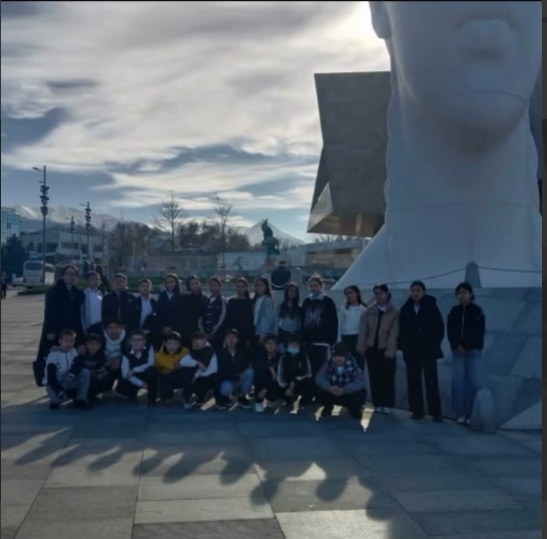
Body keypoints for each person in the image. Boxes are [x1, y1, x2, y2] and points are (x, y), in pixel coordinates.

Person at [399, 281, 445, 422]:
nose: (415, 293)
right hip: (412, 350)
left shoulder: (431, 306)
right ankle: (417, 410)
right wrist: (405, 348)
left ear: (423, 292)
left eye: (418, 290)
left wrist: (434, 344)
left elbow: (439, 327)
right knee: (414, 381)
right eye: (413, 290)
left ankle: (436, 411)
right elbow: (402, 330)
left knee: (431, 380)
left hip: (428, 350)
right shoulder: (406, 309)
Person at [35, 265, 85, 385]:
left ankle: (69, 384)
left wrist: (81, 334)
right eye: (68, 273)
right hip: (56, 330)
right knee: (54, 356)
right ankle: (53, 384)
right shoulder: (54, 291)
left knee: (70, 357)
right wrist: (50, 331)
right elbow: (49, 312)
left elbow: (79, 315)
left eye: (73, 274)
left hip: (72, 331)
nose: (70, 276)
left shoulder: (77, 293)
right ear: (63, 275)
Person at [447, 282, 486, 425]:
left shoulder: (477, 311)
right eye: (459, 293)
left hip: (473, 351)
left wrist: (468, 346)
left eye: (464, 292)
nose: (462, 295)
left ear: (470, 294)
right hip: (458, 351)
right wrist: (456, 345)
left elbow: (479, 332)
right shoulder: (454, 311)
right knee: (458, 382)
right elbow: (450, 330)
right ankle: (460, 413)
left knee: (474, 382)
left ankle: (471, 413)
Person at [357, 283, 400, 414]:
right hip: (372, 348)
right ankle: (377, 403)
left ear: (387, 294)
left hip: (385, 349)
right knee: (374, 377)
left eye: (381, 293)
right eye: (376, 294)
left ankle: (388, 403)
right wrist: (361, 346)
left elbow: (394, 333)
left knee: (387, 377)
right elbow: (364, 330)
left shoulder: (394, 312)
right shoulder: (369, 311)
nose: (379, 296)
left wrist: (390, 351)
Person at [301, 274, 339, 398]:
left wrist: (332, 341)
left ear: (321, 286)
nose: (313, 288)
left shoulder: (328, 302)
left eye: (316, 285)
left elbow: (333, 322)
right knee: (309, 370)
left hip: (322, 341)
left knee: (320, 370)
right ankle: (308, 395)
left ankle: (320, 396)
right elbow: (302, 321)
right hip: (308, 342)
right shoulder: (306, 301)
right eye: (311, 286)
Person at [316, 343, 367, 420]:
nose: (337, 359)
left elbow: (360, 382)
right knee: (319, 389)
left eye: (340, 356)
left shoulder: (353, 366)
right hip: (332, 392)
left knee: (361, 393)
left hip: (347, 394)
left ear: (345, 356)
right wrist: (329, 387)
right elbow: (319, 377)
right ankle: (327, 407)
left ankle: (354, 410)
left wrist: (345, 390)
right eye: (335, 357)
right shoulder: (328, 364)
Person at [44, 329, 90, 410]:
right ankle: (57, 396)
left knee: (85, 372)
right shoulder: (53, 355)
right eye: (66, 341)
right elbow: (51, 376)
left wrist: (72, 374)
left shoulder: (73, 351)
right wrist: (58, 390)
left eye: (72, 341)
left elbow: (78, 364)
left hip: (69, 379)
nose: (69, 343)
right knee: (57, 401)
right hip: (57, 382)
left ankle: (81, 399)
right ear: (60, 341)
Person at [117, 330, 158, 407]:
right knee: (126, 390)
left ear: (144, 341)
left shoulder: (150, 348)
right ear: (130, 342)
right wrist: (141, 383)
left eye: (139, 340)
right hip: (134, 378)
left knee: (152, 370)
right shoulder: (126, 353)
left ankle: (152, 398)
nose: (136, 342)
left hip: (146, 374)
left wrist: (134, 369)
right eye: (134, 340)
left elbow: (151, 363)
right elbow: (125, 374)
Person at [216, 329, 254, 411]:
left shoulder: (243, 352)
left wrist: (241, 373)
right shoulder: (220, 353)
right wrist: (235, 374)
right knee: (226, 388)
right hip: (227, 380)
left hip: (240, 379)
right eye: (228, 337)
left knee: (250, 372)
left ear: (237, 340)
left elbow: (246, 365)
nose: (231, 340)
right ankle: (225, 398)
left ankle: (242, 397)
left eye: (233, 337)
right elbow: (221, 371)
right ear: (225, 339)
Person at [180, 331, 219, 407]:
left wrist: (197, 374)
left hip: (208, 379)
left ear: (204, 340)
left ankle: (218, 400)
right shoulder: (193, 351)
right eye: (194, 341)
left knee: (215, 378)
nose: (196, 343)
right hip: (198, 379)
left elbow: (213, 369)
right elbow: (183, 362)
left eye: (198, 340)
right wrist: (197, 363)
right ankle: (187, 399)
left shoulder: (211, 351)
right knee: (187, 371)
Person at [277, 334, 314, 412]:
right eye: (291, 344)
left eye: (296, 344)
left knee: (310, 383)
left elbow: (308, 372)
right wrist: (286, 388)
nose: (293, 346)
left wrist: (295, 381)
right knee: (280, 387)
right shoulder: (283, 358)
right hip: (287, 383)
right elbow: (279, 376)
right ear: (287, 345)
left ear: (299, 345)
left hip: (300, 382)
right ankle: (289, 402)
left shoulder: (304, 356)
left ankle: (303, 402)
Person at [71, 333, 109, 401]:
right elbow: (75, 367)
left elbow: (104, 368)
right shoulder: (81, 356)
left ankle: (91, 394)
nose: (93, 347)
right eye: (91, 344)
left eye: (96, 344)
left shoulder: (101, 357)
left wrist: (96, 372)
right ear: (86, 345)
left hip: (94, 380)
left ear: (100, 345)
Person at [339, 286, 367, 370]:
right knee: (346, 365)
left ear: (357, 293)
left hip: (358, 338)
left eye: (350, 293)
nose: (349, 295)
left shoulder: (364, 309)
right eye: (346, 294)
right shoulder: (344, 309)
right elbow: (340, 326)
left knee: (359, 365)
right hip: (346, 338)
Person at [155, 331, 189, 403]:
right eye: (170, 343)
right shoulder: (159, 356)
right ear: (165, 344)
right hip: (166, 376)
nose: (172, 346)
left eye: (175, 344)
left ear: (179, 345)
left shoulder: (185, 351)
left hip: (180, 375)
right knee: (165, 392)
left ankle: (186, 395)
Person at [254, 334, 282, 413]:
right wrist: (270, 367)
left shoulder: (280, 357)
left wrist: (265, 389)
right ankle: (258, 400)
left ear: (276, 345)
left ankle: (270, 399)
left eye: (273, 343)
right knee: (260, 373)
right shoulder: (260, 355)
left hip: (273, 384)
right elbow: (258, 372)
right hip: (261, 382)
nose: (270, 345)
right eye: (268, 343)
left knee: (276, 383)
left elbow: (276, 377)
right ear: (264, 345)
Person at [224, 277, 255, 349]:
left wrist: (249, 338)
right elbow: (227, 319)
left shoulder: (250, 302)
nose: (240, 289)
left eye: (242, 287)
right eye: (238, 287)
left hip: (246, 335)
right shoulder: (231, 301)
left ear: (246, 288)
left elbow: (251, 321)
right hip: (233, 335)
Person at [199, 276, 227, 348]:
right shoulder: (206, 300)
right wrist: (203, 331)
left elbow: (222, 317)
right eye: (211, 285)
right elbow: (201, 317)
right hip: (205, 335)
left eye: (215, 285)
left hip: (216, 335)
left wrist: (213, 332)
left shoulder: (222, 300)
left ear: (220, 286)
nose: (212, 288)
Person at [180, 275, 208, 349]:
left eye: (196, 283)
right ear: (188, 286)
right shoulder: (185, 297)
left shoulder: (204, 298)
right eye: (192, 284)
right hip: (186, 329)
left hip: (199, 329)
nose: (195, 286)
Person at [102, 320, 127, 394]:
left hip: (121, 365)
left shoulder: (126, 338)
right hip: (106, 365)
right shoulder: (102, 339)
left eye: (115, 328)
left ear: (120, 328)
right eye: (110, 328)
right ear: (106, 329)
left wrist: (120, 360)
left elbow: (128, 354)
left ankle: (120, 390)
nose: (113, 330)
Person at [276, 282, 302, 351]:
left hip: (294, 333)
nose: (291, 293)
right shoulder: (280, 306)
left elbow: (300, 323)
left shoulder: (299, 308)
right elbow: (276, 322)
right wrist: (276, 335)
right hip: (283, 332)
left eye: (294, 291)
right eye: (289, 291)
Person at [253, 277, 277, 346]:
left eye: (261, 285)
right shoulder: (256, 300)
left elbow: (268, 319)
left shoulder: (267, 301)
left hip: (264, 333)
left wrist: (263, 334)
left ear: (266, 287)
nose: (258, 288)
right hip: (256, 331)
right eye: (257, 285)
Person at [134, 278, 159, 345]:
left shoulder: (154, 303)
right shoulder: (134, 302)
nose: (145, 288)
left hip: (150, 333)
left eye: (147, 286)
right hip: (137, 332)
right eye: (143, 286)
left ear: (151, 288)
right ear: (139, 288)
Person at [81, 271, 104, 336]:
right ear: (87, 280)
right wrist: (83, 327)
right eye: (93, 278)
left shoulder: (100, 293)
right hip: (89, 325)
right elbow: (81, 312)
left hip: (100, 324)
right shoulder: (83, 294)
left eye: (97, 279)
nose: (95, 281)